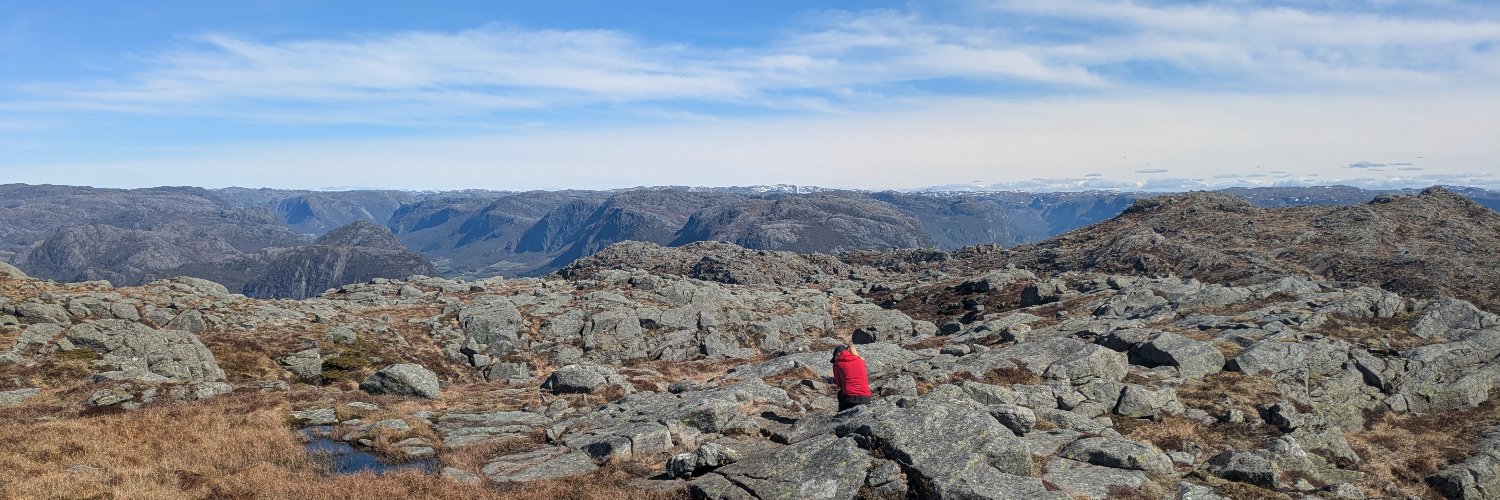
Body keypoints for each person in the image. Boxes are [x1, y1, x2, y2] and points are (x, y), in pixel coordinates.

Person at [831, 344, 871, 411]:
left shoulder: (837, 364)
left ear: (838, 354)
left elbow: (839, 384)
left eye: (834, 358)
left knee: (840, 395)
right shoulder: (861, 360)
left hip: (850, 399)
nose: (835, 360)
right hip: (866, 397)